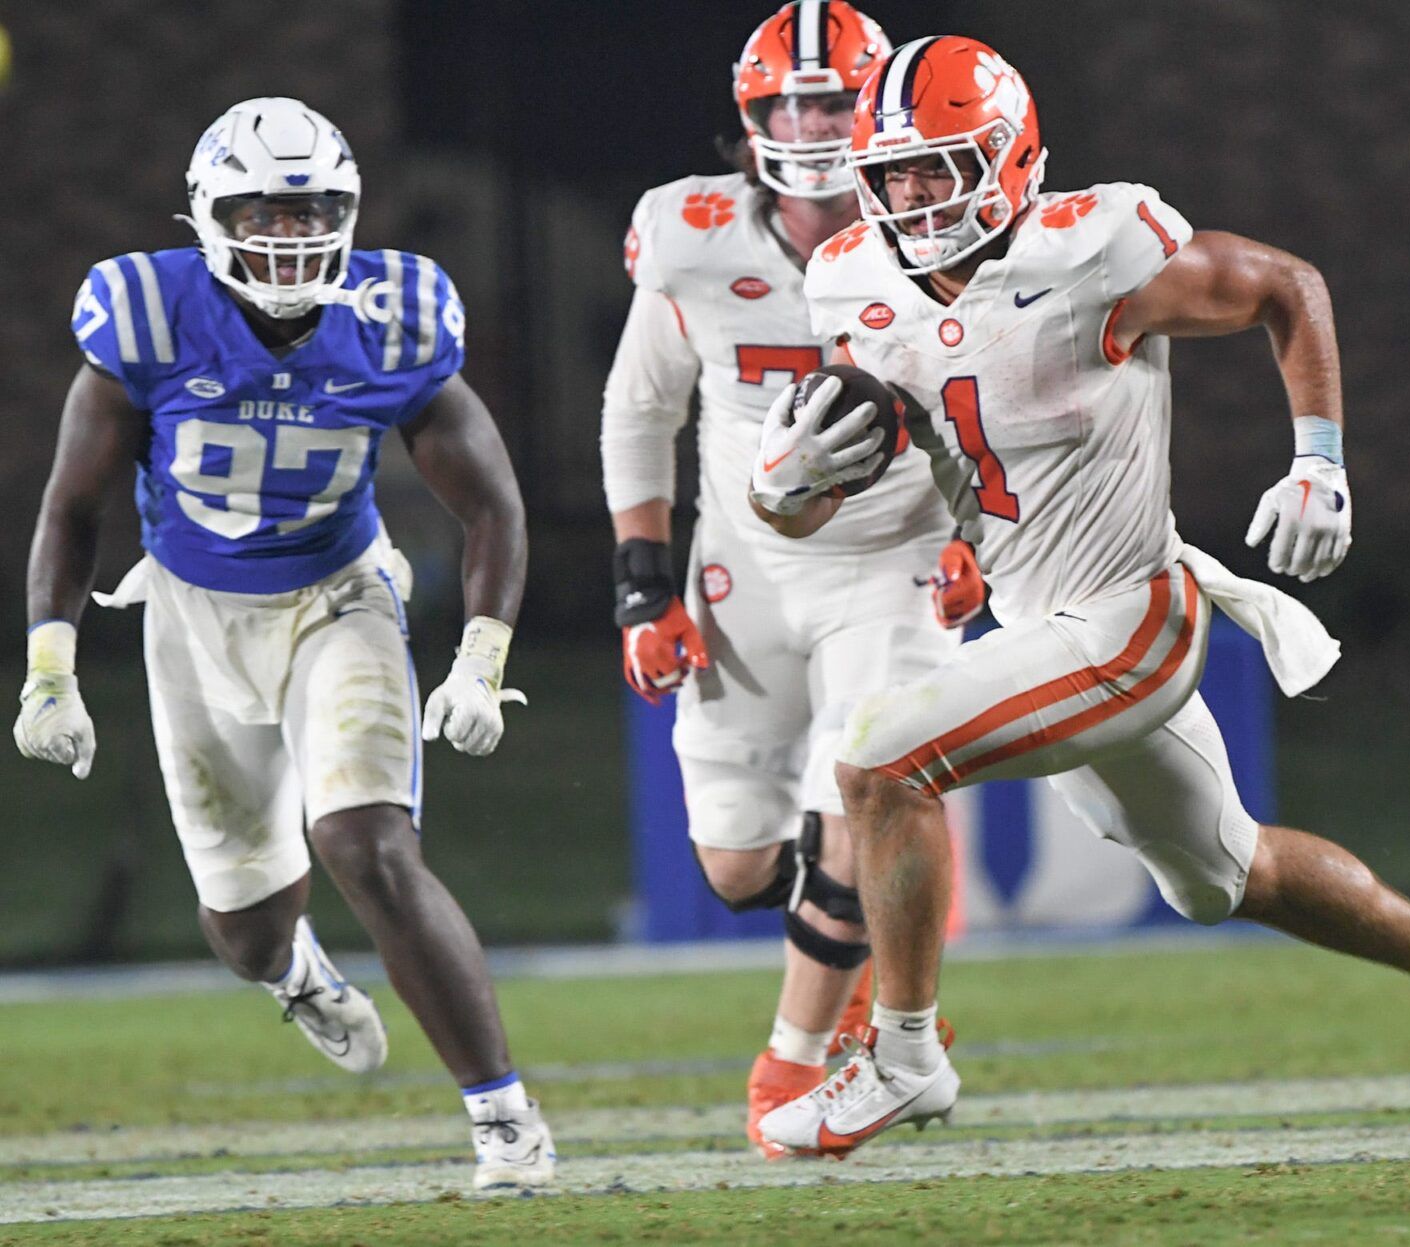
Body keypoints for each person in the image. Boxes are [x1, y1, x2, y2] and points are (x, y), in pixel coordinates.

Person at [746, 36, 1410, 1158]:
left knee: (880, 758)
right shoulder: (850, 279)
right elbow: (848, 492)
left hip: (1132, 615)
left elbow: (1288, 286)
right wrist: (778, 491)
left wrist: (1321, 461)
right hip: (1036, 620)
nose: (911, 193)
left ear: (1007, 156)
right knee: (1227, 875)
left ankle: (903, 1054)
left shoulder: (1093, 246)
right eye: (892, 172)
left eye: (937, 166)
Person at [14, 97, 555, 1189]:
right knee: (247, 930)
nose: (290, 232)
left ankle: (505, 1118)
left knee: (366, 843)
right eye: (262, 208)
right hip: (190, 619)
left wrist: (483, 661)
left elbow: (492, 503)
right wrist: (49, 668)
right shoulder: (149, 313)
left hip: (336, 601)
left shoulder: (393, 315)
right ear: (210, 214)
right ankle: (296, 970)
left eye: (313, 209)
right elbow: (72, 507)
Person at [599, 2, 973, 1157]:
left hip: (891, 560)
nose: (811, 123)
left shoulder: (938, 228)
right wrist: (641, 582)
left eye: (830, 100)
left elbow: (990, 392)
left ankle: (794, 1067)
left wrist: (978, 533)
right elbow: (640, 406)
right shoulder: (689, 233)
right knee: (735, 865)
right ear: (750, 115)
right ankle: (865, 953)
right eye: (789, 103)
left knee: (864, 804)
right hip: (742, 567)